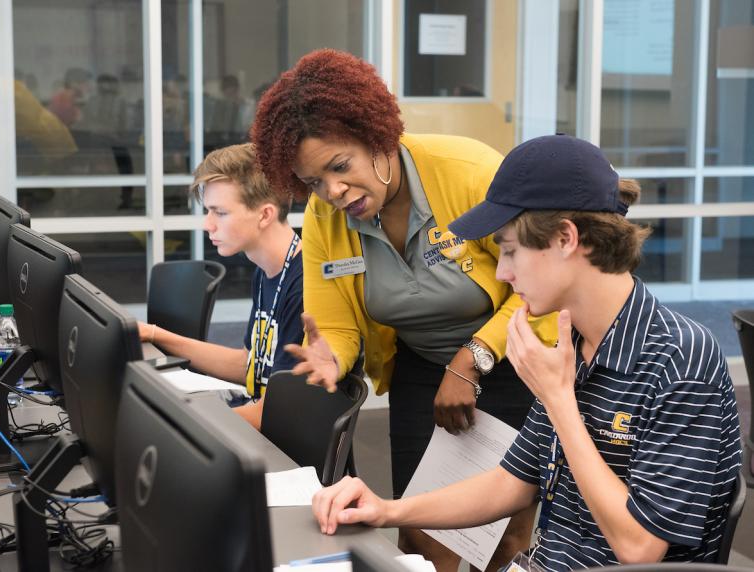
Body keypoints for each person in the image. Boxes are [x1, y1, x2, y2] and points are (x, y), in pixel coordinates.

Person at [311, 134, 743, 570]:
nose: (501, 272)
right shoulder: (570, 342)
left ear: (566, 239)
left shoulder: (680, 361)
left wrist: (559, 402)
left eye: (511, 250)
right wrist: (386, 510)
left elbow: (638, 549)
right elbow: (510, 482)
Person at [251, 49, 557, 570]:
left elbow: (539, 286)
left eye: (339, 167)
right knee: (417, 530)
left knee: (501, 536)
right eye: (314, 182)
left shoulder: (469, 172)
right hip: (419, 364)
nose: (333, 191)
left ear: (378, 138)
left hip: (513, 358)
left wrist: (472, 358)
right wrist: (333, 357)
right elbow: (337, 322)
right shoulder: (326, 217)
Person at [138, 143, 304, 430]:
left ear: (264, 214)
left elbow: (276, 414)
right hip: (255, 420)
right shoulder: (267, 270)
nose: (207, 225)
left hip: (279, 446)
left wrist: (168, 423)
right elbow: (248, 365)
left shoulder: (304, 286)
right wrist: (154, 334)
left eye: (220, 213)